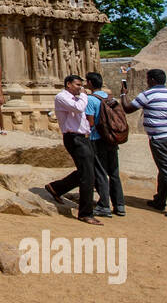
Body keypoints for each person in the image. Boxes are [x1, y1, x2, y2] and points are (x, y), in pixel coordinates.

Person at [121, 68, 167, 219]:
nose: (147, 81)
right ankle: (159, 200)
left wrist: (123, 94)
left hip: (160, 139)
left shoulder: (148, 94)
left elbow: (128, 109)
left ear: (152, 80)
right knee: (166, 169)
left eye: (148, 79)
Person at [44, 74, 99, 224]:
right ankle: (86, 213)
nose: (80, 87)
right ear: (68, 84)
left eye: (81, 85)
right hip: (74, 138)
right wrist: (84, 96)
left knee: (87, 171)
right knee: (87, 175)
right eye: (77, 85)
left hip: (83, 137)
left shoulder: (76, 97)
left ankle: (56, 188)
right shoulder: (62, 97)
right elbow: (79, 108)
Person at [84, 71, 124, 216]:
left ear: (89, 83)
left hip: (97, 139)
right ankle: (119, 205)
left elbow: (90, 122)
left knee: (100, 172)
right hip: (112, 138)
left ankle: (104, 205)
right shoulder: (110, 98)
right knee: (114, 173)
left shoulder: (91, 100)